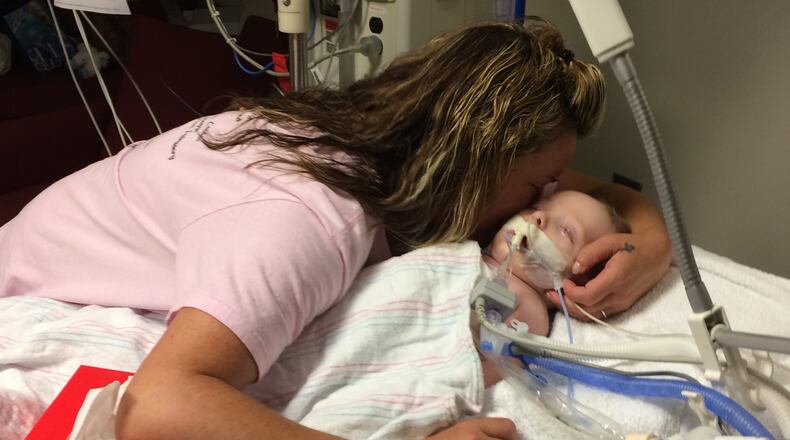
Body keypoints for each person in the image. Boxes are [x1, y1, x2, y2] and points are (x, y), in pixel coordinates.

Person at [0, 19, 670, 440]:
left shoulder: (373, 141)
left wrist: (646, 245)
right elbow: (158, 406)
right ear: (475, 161)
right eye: (535, 190)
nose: (541, 208)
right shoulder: (312, 213)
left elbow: (596, 192)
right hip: (26, 304)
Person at [474, 190, 631, 388]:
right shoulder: (472, 250)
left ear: (576, 283)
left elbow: (481, 372)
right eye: (535, 207)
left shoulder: (529, 309)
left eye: (566, 231)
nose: (537, 217)